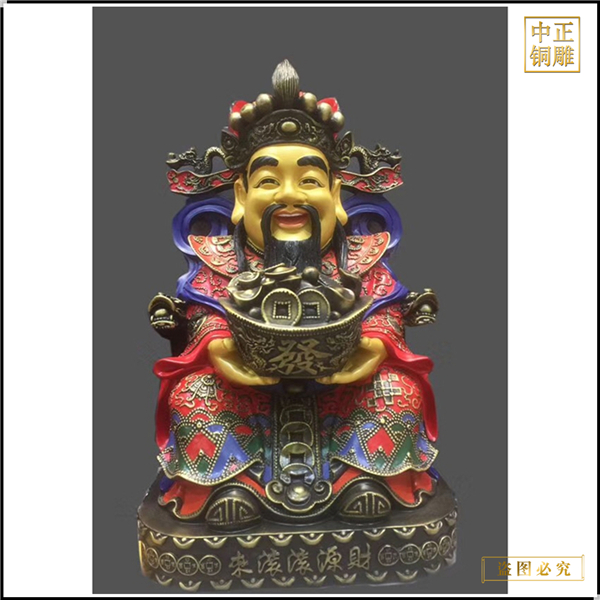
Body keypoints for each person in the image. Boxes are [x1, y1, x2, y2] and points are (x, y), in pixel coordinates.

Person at [149, 61, 440, 531]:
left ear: (336, 194)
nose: (289, 196)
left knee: (396, 389)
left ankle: (363, 479)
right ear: (240, 195)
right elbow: (205, 315)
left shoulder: (359, 255)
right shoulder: (221, 259)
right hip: (244, 389)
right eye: (268, 182)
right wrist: (221, 352)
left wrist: (373, 350)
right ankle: (230, 486)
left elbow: (385, 313)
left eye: (309, 181)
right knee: (194, 393)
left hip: (343, 387)